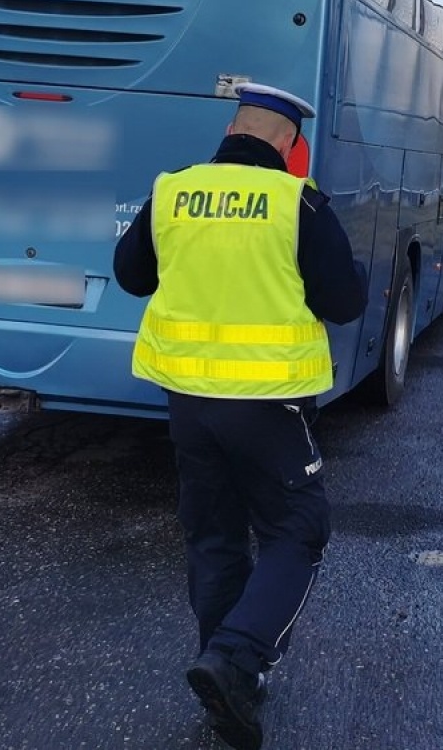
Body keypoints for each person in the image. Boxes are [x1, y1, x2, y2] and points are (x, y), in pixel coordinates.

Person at [113, 82, 367, 750]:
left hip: (188, 402)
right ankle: (236, 659)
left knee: (215, 536)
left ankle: (227, 680)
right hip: (268, 403)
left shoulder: (173, 191)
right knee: (298, 529)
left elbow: (132, 276)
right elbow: (343, 301)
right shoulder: (294, 201)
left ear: (234, 128)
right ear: (288, 141)